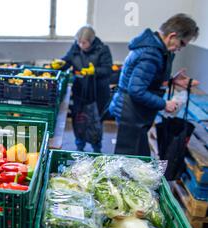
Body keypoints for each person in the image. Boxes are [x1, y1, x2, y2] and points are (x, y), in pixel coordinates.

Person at [109, 13, 199, 156]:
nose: (180, 48)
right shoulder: (151, 53)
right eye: (181, 43)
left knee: (137, 160)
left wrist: (171, 81)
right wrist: (164, 104)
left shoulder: (156, 49)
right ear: (172, 36)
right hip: (131, 113)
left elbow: (147, 77)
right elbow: (137, 90)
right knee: (129, 162)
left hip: (134, 111)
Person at [61, 25, 113, 153]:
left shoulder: (103, 50)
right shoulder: (75, 48)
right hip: (80, 91)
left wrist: (94, 71)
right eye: (78, 41)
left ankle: (97, 148)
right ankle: (79, 146)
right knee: (79, 119)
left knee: (95, 122)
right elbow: (68, 60)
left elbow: (108, 69)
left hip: (97, 93)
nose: (80, 44)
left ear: (91, 41)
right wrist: (61, 64)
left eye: (83, 42)